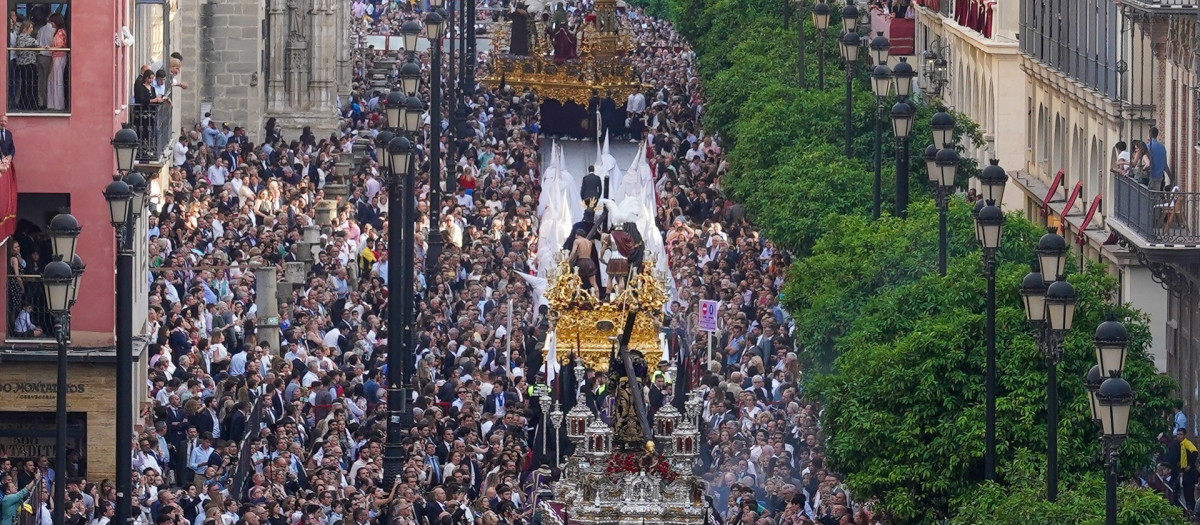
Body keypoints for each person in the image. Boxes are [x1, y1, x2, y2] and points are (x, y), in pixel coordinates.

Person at [45, 12, 66, 110]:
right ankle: (54, 104)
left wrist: (50, 48)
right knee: (54, 79)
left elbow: (61, 45)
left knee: (57, 80)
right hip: (56, 56)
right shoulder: (59, 31)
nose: (51, 24)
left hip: (59, 57)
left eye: (52, 22)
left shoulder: (61, 32)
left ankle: (57, 105)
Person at [1147, 126, 1168, 191]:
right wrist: (1171, 177)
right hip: (1159, 176)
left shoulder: (1148, 146)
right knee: (1157, 195)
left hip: (1150, 176)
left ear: (1149, 135)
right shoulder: (1162, 147)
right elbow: (1165, 165)